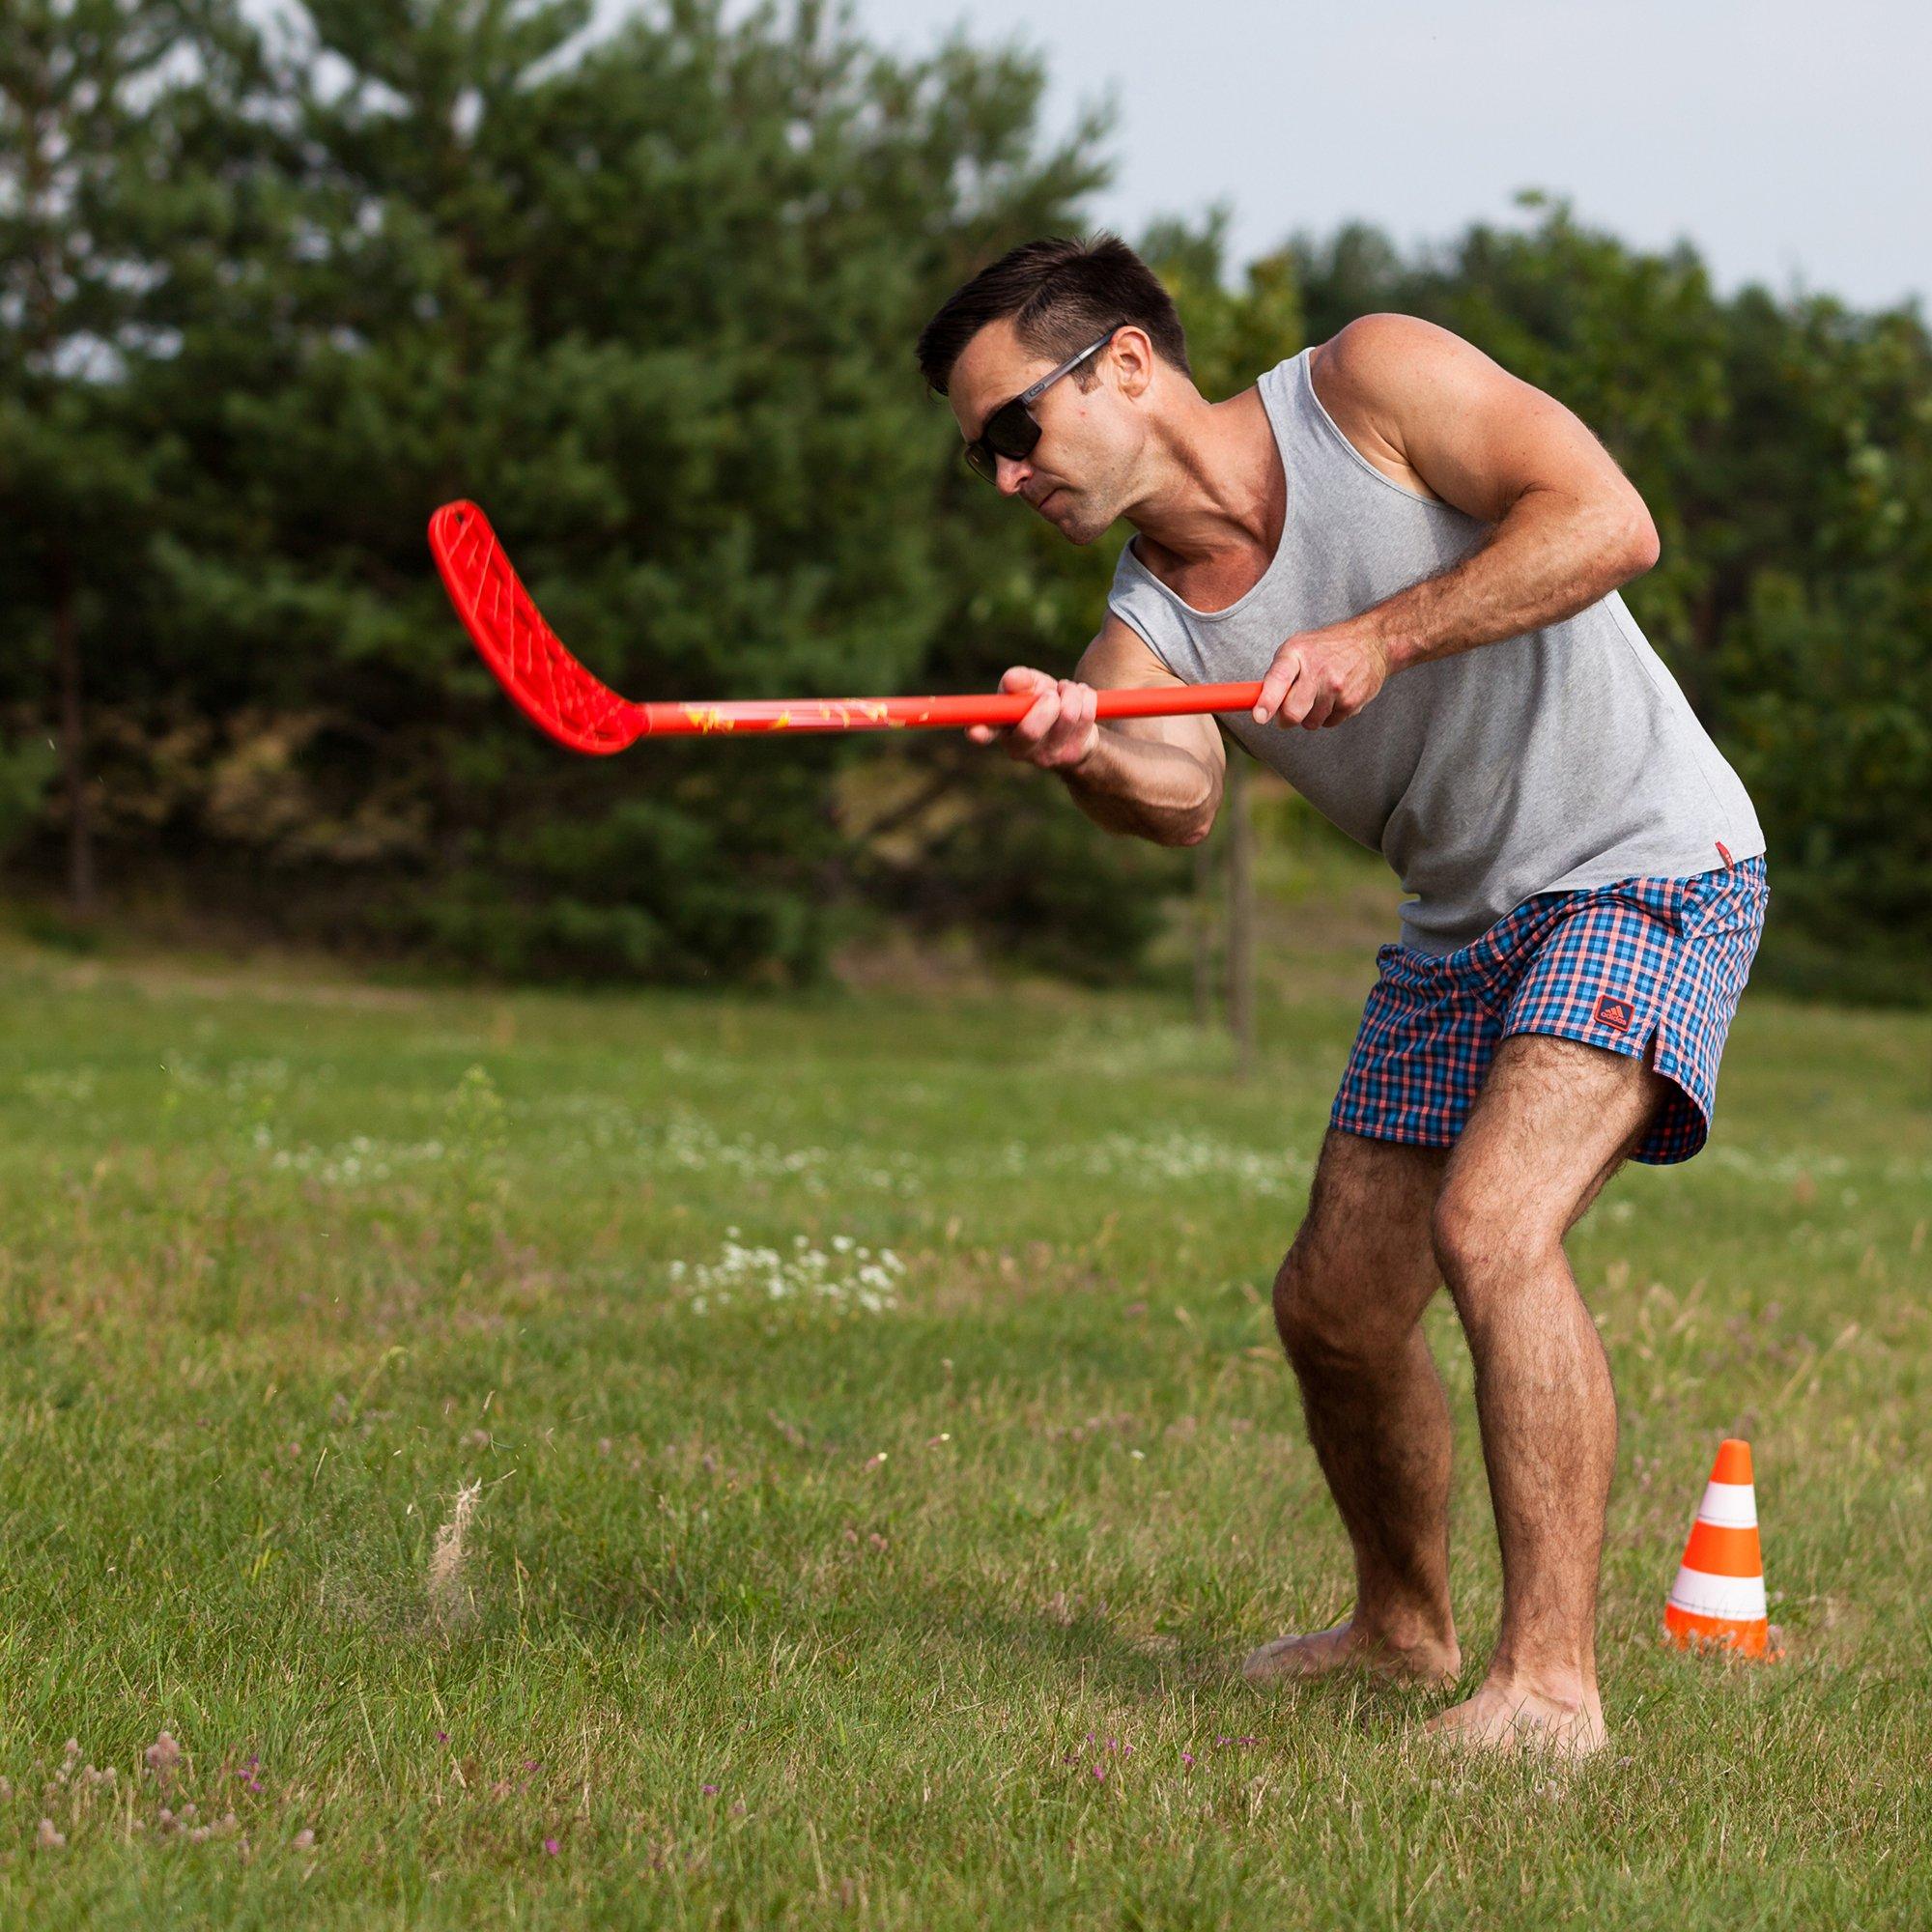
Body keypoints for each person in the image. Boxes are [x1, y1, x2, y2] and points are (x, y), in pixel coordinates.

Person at [916, 235, 1767, 1756]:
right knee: (1337, 1308)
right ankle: (1399, 1634)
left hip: (1646, 856)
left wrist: (1384, 632)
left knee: (1493, 1226)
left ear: (1121, 364)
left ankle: (1552, 1693)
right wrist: (1083, 743)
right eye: (983, 453)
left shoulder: (1366, 386)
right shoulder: (1149, 619)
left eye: (1012, 430)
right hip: (1463, 923)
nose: (1003, 476)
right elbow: (1175, 796)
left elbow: (1608, 522)